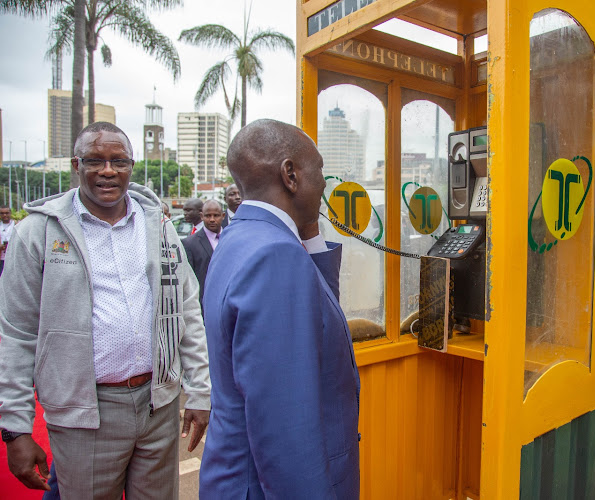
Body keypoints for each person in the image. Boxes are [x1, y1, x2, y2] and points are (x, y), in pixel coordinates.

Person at [0, 122, 211, 499]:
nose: (108, 170)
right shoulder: (38, 232)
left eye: (119, 161)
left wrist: (199, 391)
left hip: (157, 405)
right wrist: (15, 428)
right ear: (76, 165)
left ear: (132, 166)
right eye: (95, 160)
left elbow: (186, 311)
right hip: (84, 413)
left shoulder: (158, 227)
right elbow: (16, 333)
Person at [199, 119, 360, 499]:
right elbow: (287, 431)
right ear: (290, 175)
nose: (324, 185)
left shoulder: (241, 239)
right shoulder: (276, 256)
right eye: (319, 171)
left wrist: (310, 232)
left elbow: (318, 312)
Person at [182, 199, 224, 312]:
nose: (212, 220)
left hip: (227, 305)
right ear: (201, 216)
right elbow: (190, 281)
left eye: (216, 215)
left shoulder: (231, 239)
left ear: (223, 216)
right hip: (203, 308)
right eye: (208, 216)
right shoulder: (189, 243)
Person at [0, 205, 14, 276]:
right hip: (1, 258)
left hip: (13, 258)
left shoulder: (17, 225)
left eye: (6, 213)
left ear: (10, 213)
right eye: (2, 213)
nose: (4, 215)